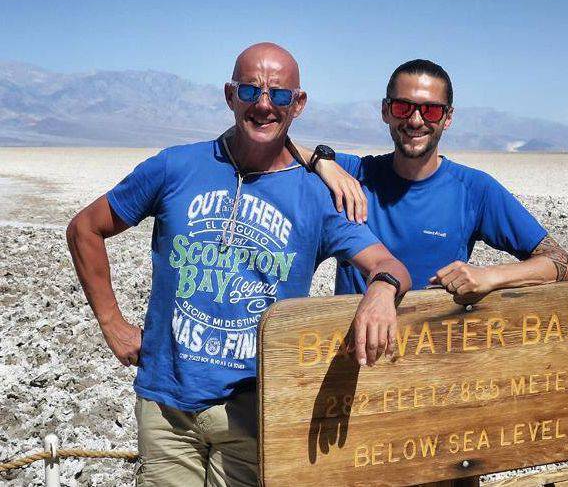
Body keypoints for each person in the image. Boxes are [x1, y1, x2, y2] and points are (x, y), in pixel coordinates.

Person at [65, 42, 410, 486]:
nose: (264, 105)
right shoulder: (175, 167)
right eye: (250, 91)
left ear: (298, 104)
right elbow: (84, 230)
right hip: (168, 409)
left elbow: (388, 263)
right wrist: (112, 324)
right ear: (230, 95)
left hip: (257, 408)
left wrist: (381, 291)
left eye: (280, 95)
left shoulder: (315, 197)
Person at [295, 59, 568, 298]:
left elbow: (559, 261)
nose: (416, 120)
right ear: (385, 111)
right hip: (355, 352)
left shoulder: (474, 190)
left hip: (431, 351)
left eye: (431, 110)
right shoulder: (353, 174)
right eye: (403, 107)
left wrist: (489, 277)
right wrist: (322, 161)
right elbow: (265, 148)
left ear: (448, 117)